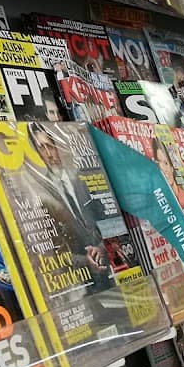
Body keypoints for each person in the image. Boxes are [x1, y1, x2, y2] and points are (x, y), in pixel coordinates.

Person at [27, 123, 113, 290]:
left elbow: (110, 216)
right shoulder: (44, 195)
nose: (49, 154)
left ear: (57, 147)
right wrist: (84, 261)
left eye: (50, 146)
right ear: (38, 154)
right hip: (83, 282)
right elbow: (51, 249)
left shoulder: (84, 179)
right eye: (42, 149)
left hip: (112, 263)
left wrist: (102, 248)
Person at [151, 137, 184, 208]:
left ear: (172, 167)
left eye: (166, 163)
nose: (163, 169)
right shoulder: (160, 200)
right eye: (158, 164)